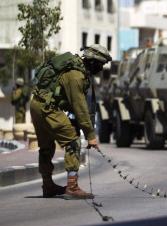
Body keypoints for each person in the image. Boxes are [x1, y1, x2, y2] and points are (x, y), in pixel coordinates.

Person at [30, 44, 112, 199]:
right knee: (73, 142)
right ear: (92, 61)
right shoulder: (76, 75)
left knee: (46, 147)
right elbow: (80, 107)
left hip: (37, 104)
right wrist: (90, 135)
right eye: (100, 64)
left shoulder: (74, 68)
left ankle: (47, 185)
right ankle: (72, 187)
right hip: (49, 108)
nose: (101, 69)